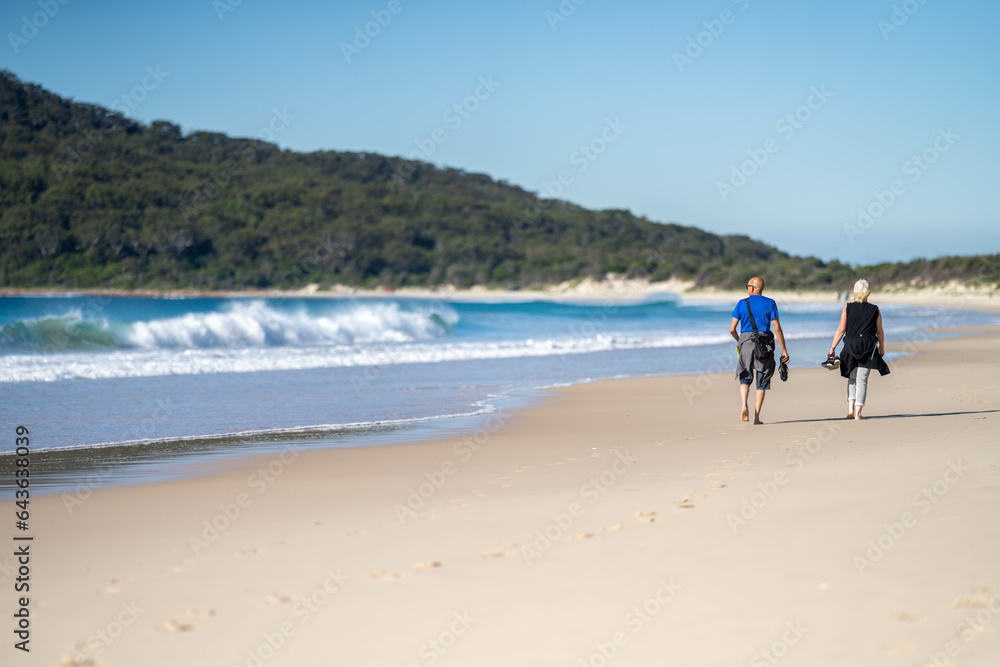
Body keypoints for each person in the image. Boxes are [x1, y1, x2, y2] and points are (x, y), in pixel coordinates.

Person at [729, 276, 789, 425]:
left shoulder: (742, 303)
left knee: (745, 378)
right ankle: (756, 418)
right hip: (764, 345)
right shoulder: (770, 303)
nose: (747, 288)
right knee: (761, 381)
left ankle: (744, 404)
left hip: (746, 343)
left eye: (748, 286)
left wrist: (741, 342)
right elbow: (777, 328)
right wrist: (784, 350)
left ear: (753, 288)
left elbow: (731, 329)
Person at [827, 279, 890, 420]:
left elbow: (841, 330)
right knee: (862, 380)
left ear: (855, 292)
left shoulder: (847, 307)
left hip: (850, 346)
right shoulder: (875, 309)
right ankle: (858, 414)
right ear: (868, 292)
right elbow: (880, 331)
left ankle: (850, 409)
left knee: (851, 378)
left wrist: (832, 348)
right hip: (868, 346)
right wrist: (882, 347)